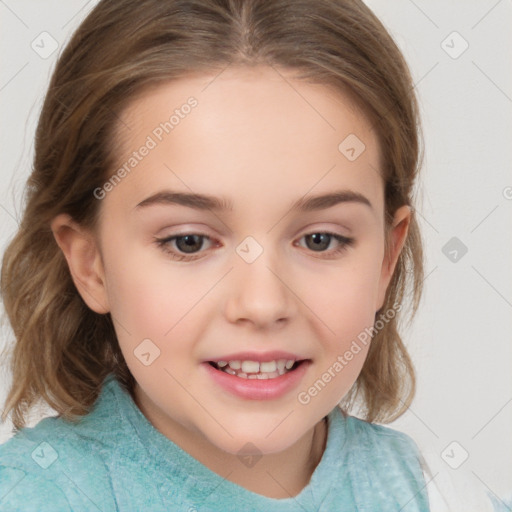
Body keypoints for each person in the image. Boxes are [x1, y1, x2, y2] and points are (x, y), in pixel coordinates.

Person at [0, 0, 507, 510]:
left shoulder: (443, 499)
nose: (263, 304)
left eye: (320, 239)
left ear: (385, 259)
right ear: (91, 264)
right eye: (189, 241)